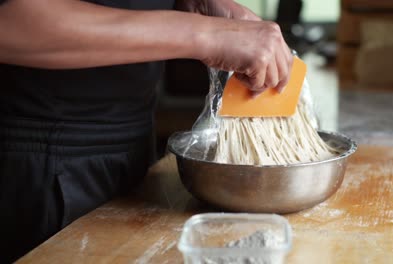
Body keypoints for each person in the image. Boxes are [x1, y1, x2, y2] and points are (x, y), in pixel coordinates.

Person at [0, 0, 293, 262]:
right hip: (39, 171)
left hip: (133, 148)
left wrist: (194, 3)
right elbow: (9, 23)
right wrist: (206, 34)